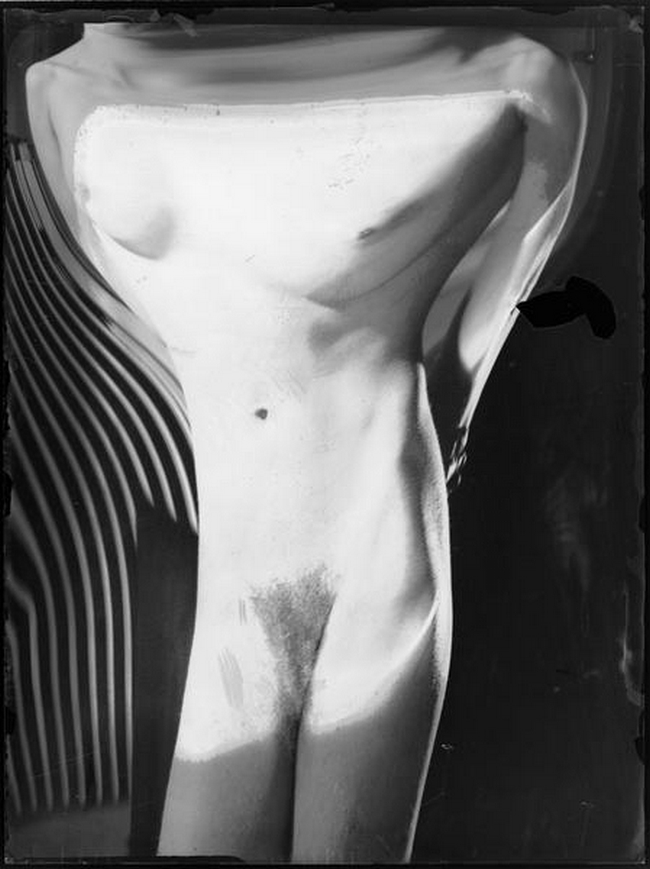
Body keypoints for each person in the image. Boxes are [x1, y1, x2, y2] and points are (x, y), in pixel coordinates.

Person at [22, 20, 586, 862]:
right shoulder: (56, 90)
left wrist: (450, 393)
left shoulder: (518, 86)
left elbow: (493, 315)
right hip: (234, 587)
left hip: (374, 556)